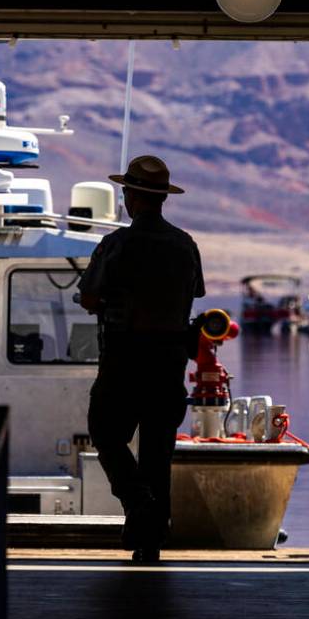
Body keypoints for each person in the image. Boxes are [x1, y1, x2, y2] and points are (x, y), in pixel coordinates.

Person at [77, 155, 205, 562]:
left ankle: (137, 501)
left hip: (124, 359)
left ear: (131, 197)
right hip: (170, 363)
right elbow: (194, 294)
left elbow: (90, 297)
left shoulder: (117, 245)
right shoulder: (185, 245)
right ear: (162, 198)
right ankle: (149, 542)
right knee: (157, 451)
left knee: (105, 432)